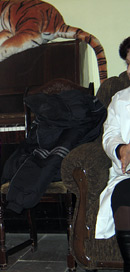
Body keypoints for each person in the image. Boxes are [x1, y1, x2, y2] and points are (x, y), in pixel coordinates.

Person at [96, 37, 130, 271]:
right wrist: (120, 148)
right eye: (128, 64)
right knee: (122, 194)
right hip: (128, 174)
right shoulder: (120, 99)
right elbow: (109, 134)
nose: (129, 70)